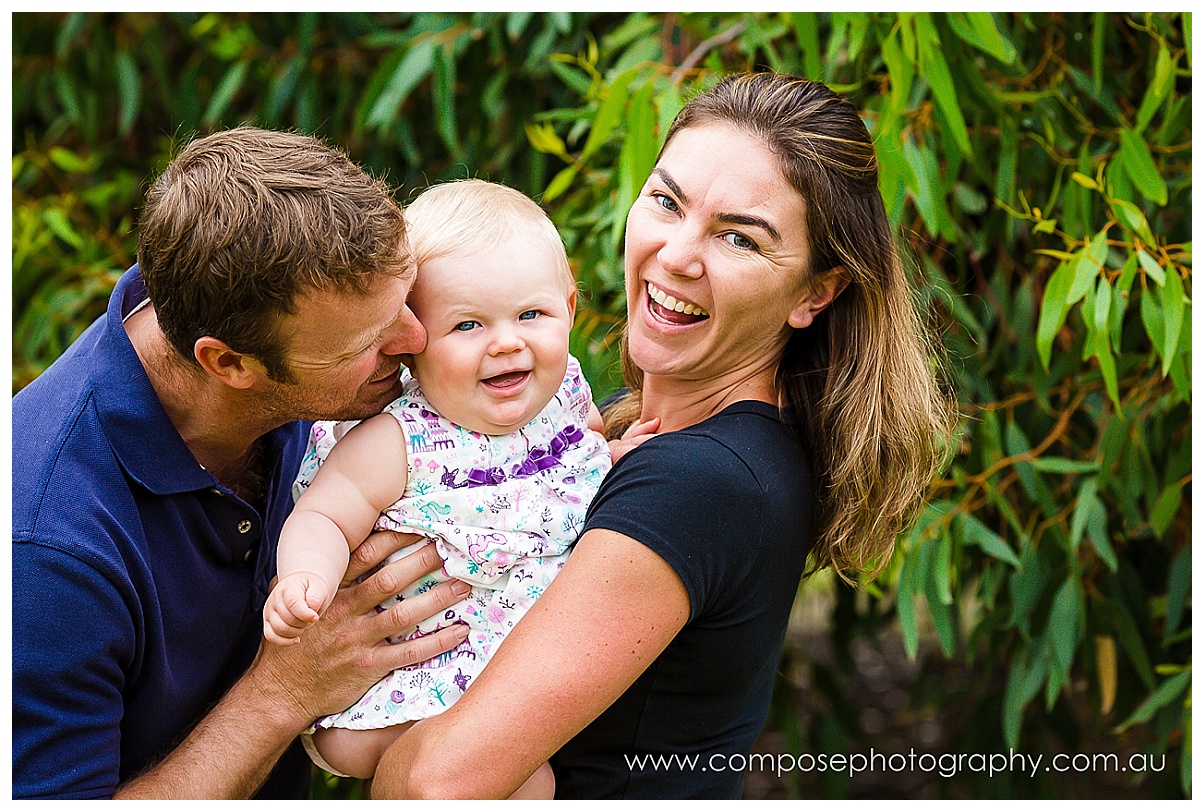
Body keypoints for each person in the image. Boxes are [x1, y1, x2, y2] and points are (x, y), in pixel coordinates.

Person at [369, 73, 958, 798]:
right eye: (667, 201)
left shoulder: (700, 481)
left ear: (814, 293)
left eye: (738, 237)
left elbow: (432, 787)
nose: (677, 254)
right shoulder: (622, 431)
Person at [12, 127, 476, 798]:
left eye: (408, 301)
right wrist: (281, 693)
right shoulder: (45, 549)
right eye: (370, 342)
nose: (417, 339)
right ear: (229, 364)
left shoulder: (272, 321)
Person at [262, 180, 656, 795]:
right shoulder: (397, 441)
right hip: (419, 677)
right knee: (531, 786)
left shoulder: (565, 393)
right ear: (413, 345)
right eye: (468, 324)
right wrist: (303, 582)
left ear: (570, 309)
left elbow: (567, 463)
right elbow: (323, 517)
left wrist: (611, 458)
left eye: (532, 314)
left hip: (519, 663)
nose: (506, 341)